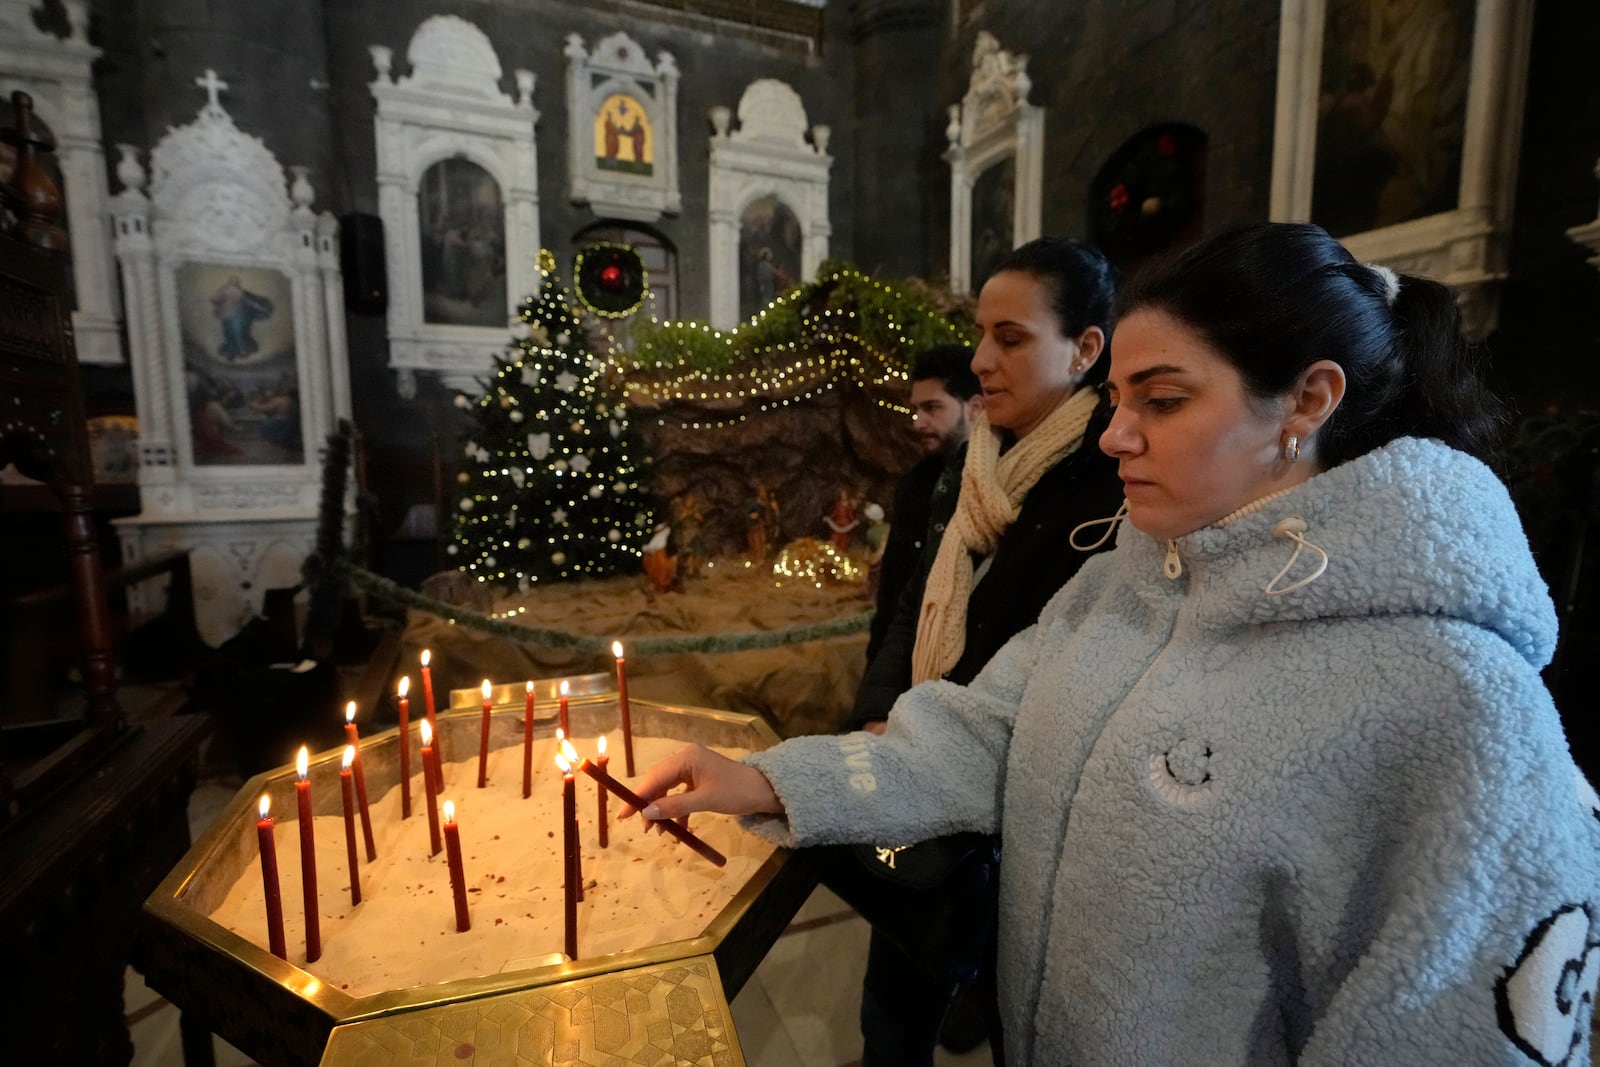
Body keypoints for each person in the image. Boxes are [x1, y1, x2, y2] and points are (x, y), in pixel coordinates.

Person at [624, 222, 1600, 1066]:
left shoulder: (1453, 701)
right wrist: (767, 780)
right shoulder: (1124, 577)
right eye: (1118, 397)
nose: (1112, 435)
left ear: (1306, 400)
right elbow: (980, 732)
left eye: (1162, 400)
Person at [835, 237, 1126, 1066]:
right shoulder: (955, 472)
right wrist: (875, 718)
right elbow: (904, 613)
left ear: (1086, 348)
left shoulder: (1115, 480)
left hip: (1026, 806)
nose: (981, 360)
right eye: (980, 335)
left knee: (1020, 1023)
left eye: (1011, 337)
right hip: (917, 777)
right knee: (890, 1020)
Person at [866, 343, 983, 661]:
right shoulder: (914, 485)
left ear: (974, 408)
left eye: (933, 408)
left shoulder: (995, 491)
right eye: (916, 409)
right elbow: (893, 596)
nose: (918, 422)